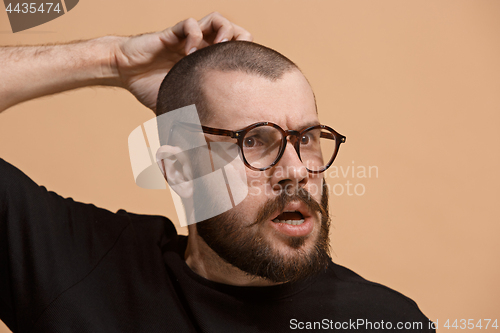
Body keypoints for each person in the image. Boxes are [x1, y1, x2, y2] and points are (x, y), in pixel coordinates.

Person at [0, 12, 434, 332]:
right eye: (253, 141)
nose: (296, 171)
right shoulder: (83, 269)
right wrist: (112, 60)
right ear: (180, 169)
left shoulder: (386, 322)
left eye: (306, 138)